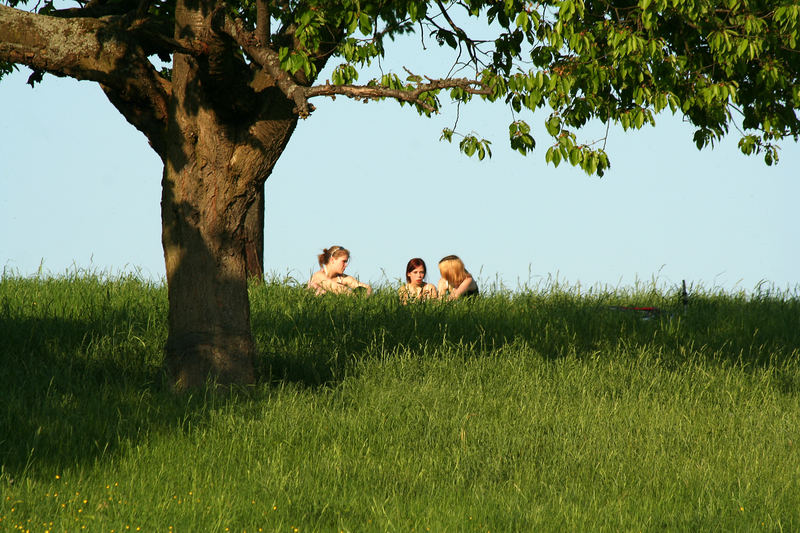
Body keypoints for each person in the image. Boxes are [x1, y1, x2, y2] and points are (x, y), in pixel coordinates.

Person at [307, 245, 372, 295]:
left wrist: (365, 294)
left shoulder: (343, 278)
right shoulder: (318, 275)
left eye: (346, 262)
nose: (346, 265)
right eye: (343, 261)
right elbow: (335, 288)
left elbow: (368, 288)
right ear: (332, 260)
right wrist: (355, 296)